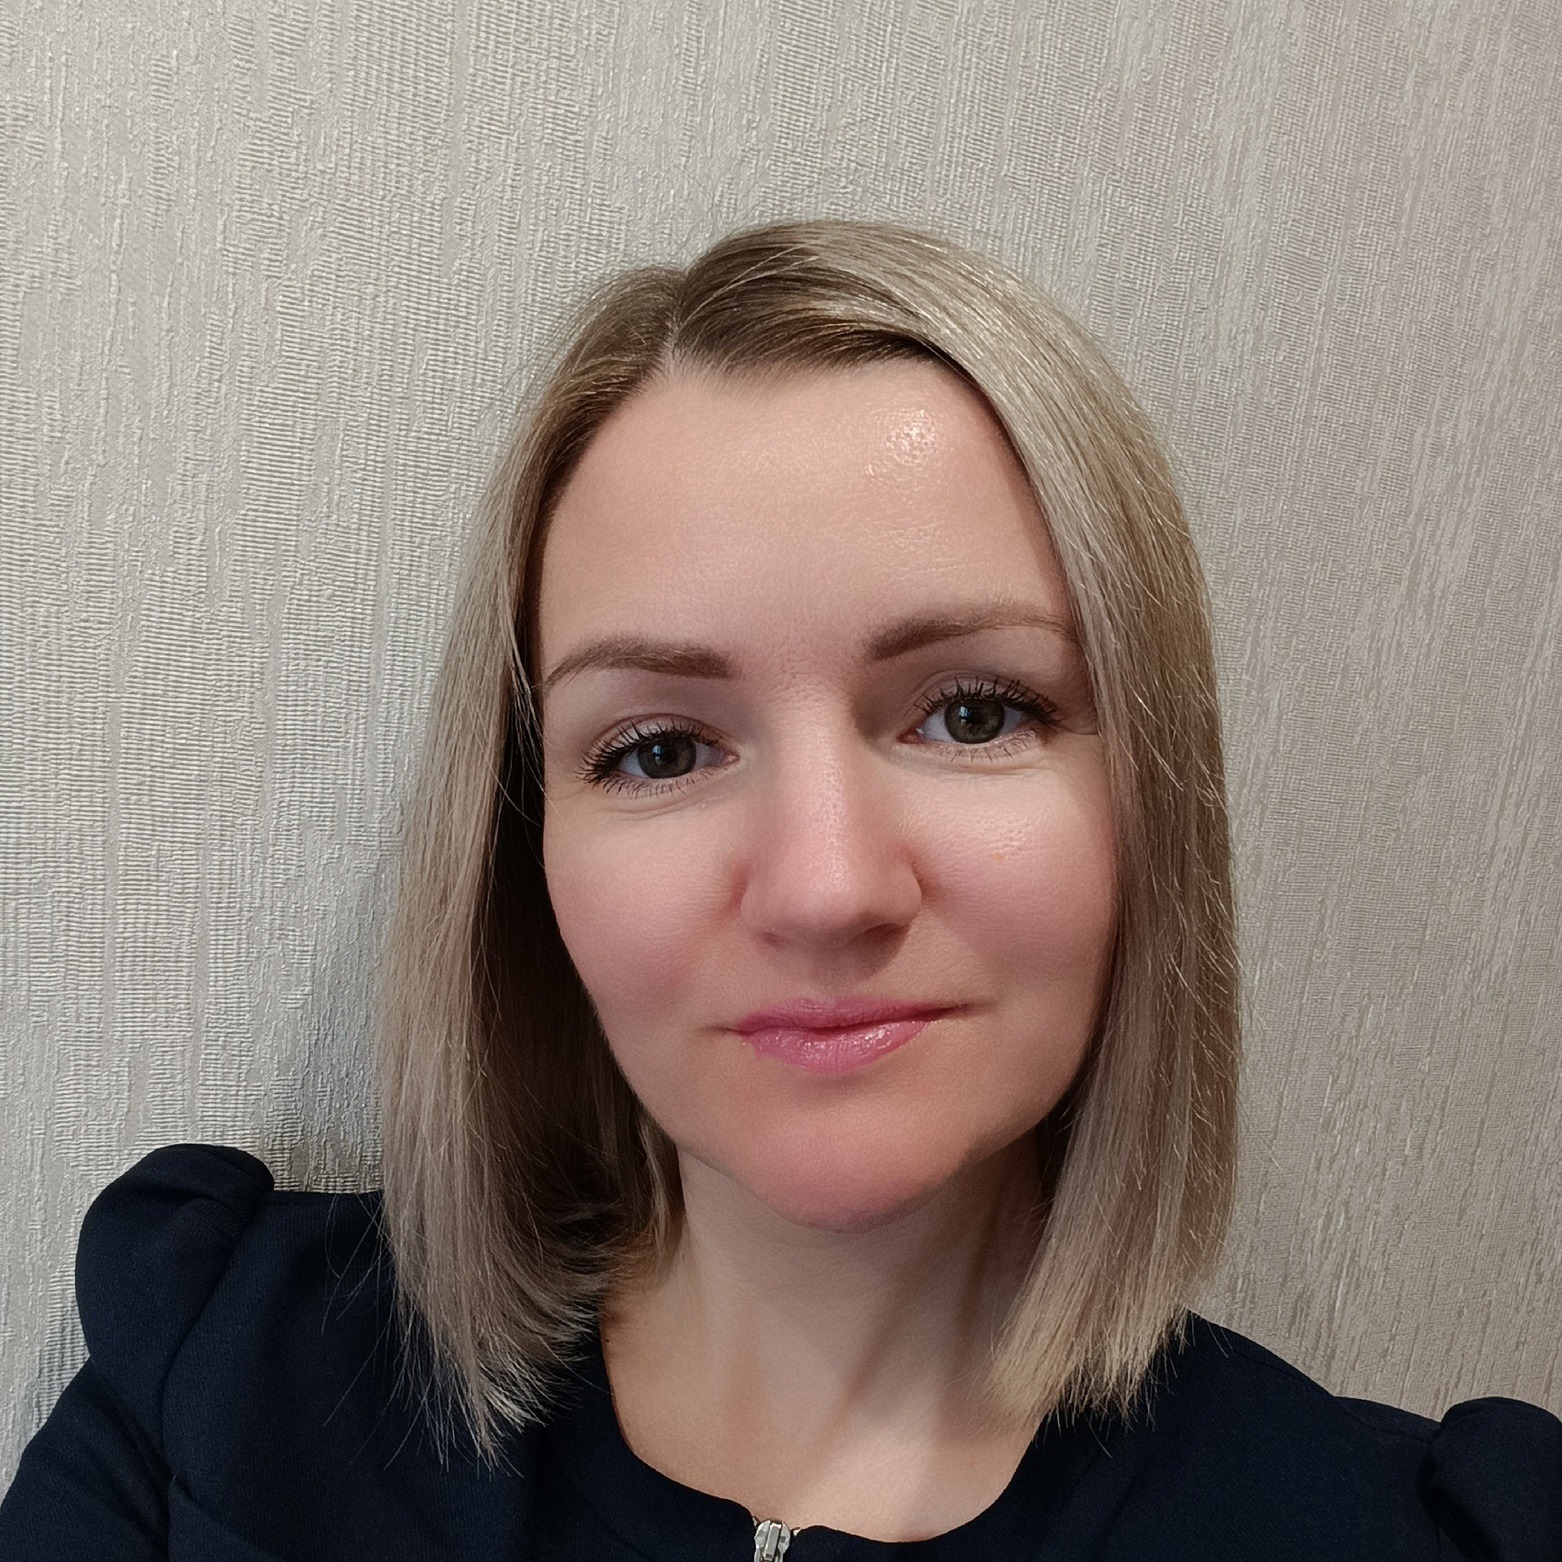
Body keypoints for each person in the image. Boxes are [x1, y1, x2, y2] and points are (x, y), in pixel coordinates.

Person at [1, 219, 1557, 1561]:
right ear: (527, 853)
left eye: (973, 712)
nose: (823, 888)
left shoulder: (1411, 1529)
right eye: (660, 747)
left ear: (1151, 798)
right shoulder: (218, 1376)